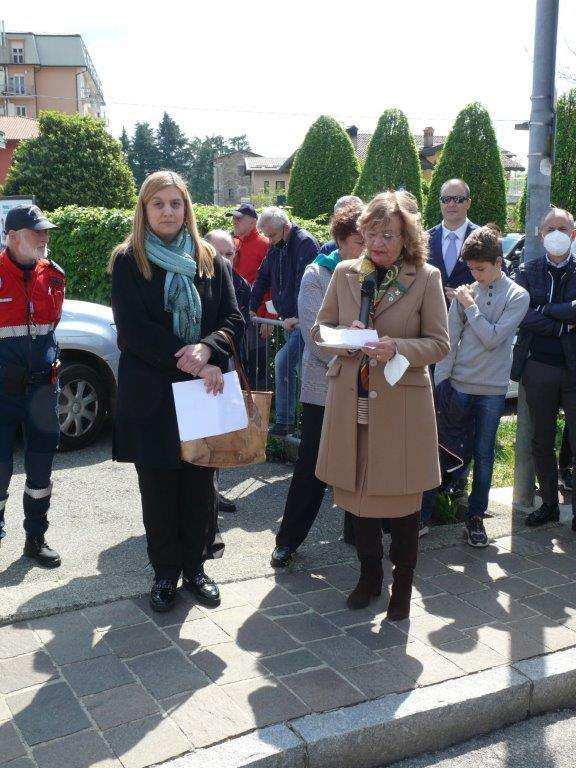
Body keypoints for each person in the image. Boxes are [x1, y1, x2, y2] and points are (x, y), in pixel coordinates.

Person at [110, 171, 244, 612]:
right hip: (152, 397)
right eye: (158, 203)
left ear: (187, 208)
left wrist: (208, 348)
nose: (168, 212)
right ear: (144, 210)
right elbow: (132, 330)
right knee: (159, 490)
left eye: (175, 203)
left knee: (199, 487)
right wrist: (189, 358)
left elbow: (233, 319)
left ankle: (196, 568)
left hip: (202, 395)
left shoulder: (210, 259)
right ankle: (165, 573)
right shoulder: (128, 261)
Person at [311, 190, 449, 619]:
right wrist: (345, 339)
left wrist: (397, 347)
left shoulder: (425, 277)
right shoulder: (346, 273)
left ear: (407, 237)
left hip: (401, 408)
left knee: (403, 503)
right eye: (371, 234)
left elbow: (439, 343)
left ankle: (402, 585)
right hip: (352, 404)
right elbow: (319, 330)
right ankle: (369, 576)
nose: (377, 243)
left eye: (388, 235)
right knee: (359, 500)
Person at [422, 226, 529, 547]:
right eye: (471, 269)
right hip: (458, 385)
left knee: (483, 455)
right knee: (441, 450)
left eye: (481, 269)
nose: (475, 276)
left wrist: (470, 306)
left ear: (499, 262)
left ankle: (476, 518)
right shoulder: (467, 292)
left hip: (492, 390)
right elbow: (449, 340)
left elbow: (493, 337)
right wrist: (441, 381)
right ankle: (423, 515)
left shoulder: (517, 296)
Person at [271, 205, 365, 567]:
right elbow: (317, 337)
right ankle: (288, 539)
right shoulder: (317, 274)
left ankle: (356, 531)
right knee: (312, 463)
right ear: (340, 240)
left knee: (360, 459)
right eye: (358, 240)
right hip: (324, 386)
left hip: (364, 385)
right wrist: (358, 359)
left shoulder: (375, 273)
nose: (366, 247)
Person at [0, 205, 63, 568]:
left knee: (40, 469)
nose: (44, 237)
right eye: (36, 231)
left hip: (42, 391)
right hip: (1, 393)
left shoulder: (54, 276)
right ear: (11, 237)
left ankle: (35, 538)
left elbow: (51, 331)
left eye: (45, 231)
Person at [511, 207, 576, 530]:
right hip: (538, 367)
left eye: (563, 228)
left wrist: (544, 309)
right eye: (550, 228)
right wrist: (562, 323)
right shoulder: (527, 271)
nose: (556, 234)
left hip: (573, 369)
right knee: (541, 439)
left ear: (573, 235)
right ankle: (549, 503)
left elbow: (538, 311)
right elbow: (521, 313)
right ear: (540, 234)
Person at [250, 207, 319, 436]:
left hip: (303, 321)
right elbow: (263, 276)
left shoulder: (304, 243)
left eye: (272, 236)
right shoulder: (277, 246)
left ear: (286, 228)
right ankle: (295, 423)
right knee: (297, 369)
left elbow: (305, 284)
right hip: (290, 319)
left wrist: (299, 316)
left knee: (284, 363)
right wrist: (251, 306)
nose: (269, 241)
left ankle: (288, 421)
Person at [205, 228, 251, 514]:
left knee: (219, 433)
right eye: (218, 253)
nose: (224, 259)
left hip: (227, 366)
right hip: (196, 369)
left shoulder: (241, 285)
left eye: (229, 254)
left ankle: (213, 492)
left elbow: (239, 325)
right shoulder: (195, 281)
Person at [227, 203, 272, 388]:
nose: (234, 221)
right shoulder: (233, 243)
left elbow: (272, 283)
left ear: (253, 222)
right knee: (237, 365)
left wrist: (269, 317)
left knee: (257, 367)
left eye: (239, 218)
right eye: (233, 217)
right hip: (234, 316)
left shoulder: (265, 244)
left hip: (256, 319)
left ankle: (258, 405)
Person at [427, 179, 478, 304]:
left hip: (470, 313)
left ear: (468, 203)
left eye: (458, 199)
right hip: (431, 312)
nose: (451, 204)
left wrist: (470, 295)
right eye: (446, 199)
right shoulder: (424, 239)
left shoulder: (484, 238)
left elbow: (498, 281)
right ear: (440, 202)